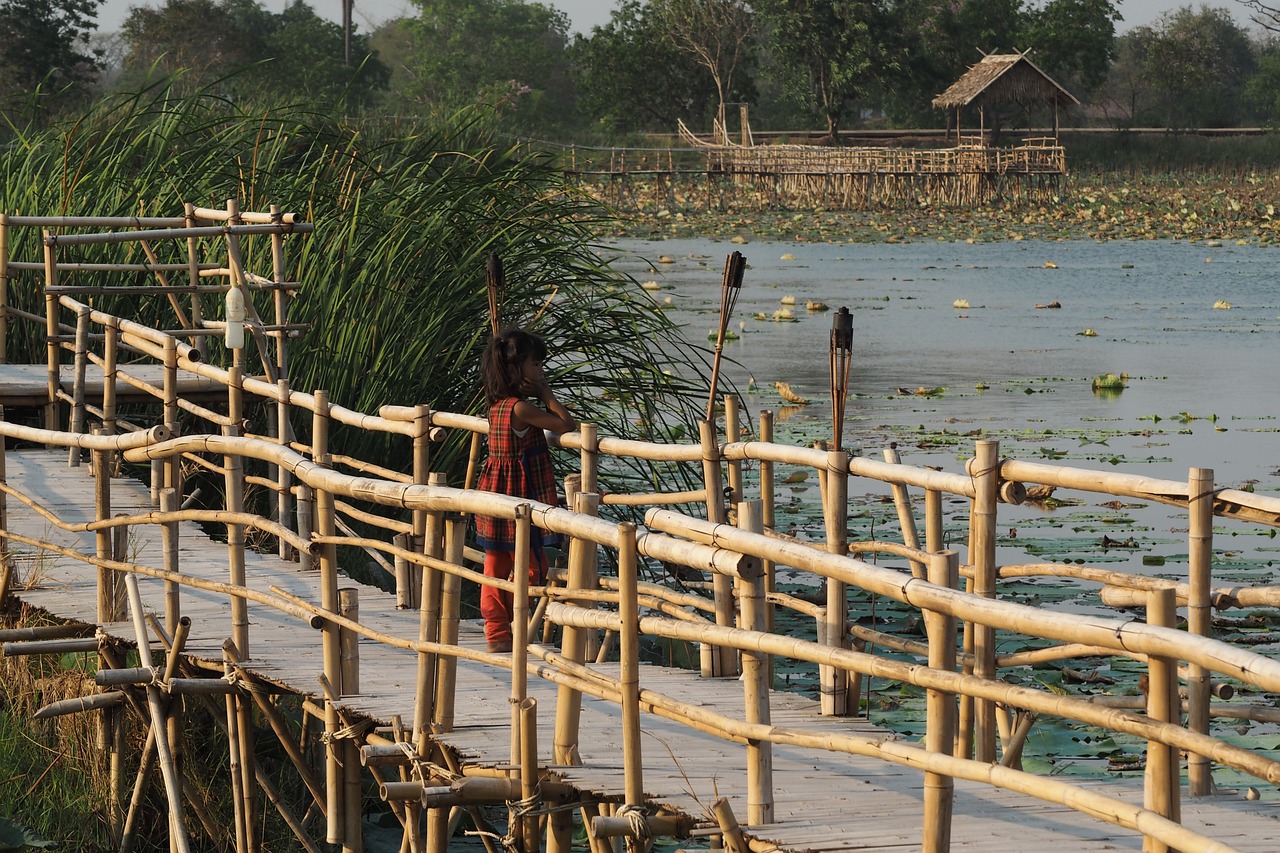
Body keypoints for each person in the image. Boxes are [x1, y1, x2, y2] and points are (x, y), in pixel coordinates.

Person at [475, 327, 578, 653]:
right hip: (517, 500)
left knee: (495, 565)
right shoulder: (520, 409)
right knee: (532, 565)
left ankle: (497, 632)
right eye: (536, 365)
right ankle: (508, 626)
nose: (541, 371)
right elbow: (566, 424)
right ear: (515, 370)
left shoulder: (497, 406)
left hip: (495, 497)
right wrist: (547, 395)